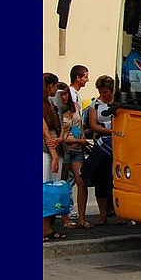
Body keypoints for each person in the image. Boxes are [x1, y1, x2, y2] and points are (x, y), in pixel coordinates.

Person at [83, 75, 123, 226]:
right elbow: (93, 125)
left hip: (119, 145)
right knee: (101, 180)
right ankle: (102, 214)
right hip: (103, 143)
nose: (103, 94)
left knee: (117, 180)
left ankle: (121, 213)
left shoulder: (120, 104)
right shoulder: (96, 105)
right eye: (101, 91)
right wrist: (111, 131)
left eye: (106, 91)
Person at [55, 81, 91, 228]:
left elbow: (79, 125)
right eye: (60, 94)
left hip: (77, 148)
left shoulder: (75, 106)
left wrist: (82, 139)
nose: (63, 97)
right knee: (63, 184)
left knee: (81, 182)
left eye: (65, 93)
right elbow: (58, 134)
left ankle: (82, 218)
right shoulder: (57, 110)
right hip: (65, 149)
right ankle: (64, 218)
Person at [43, 73, 66, 242]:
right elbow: (45, 132)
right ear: (50, 86)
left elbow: (61, 124)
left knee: (51, 190)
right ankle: (44, 228)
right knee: (45, 188)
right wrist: (54, 155)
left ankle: (47, 227)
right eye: (55, 86)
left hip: (55, 145)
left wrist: (61, 137)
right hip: (46, 150)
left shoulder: (51, 103)